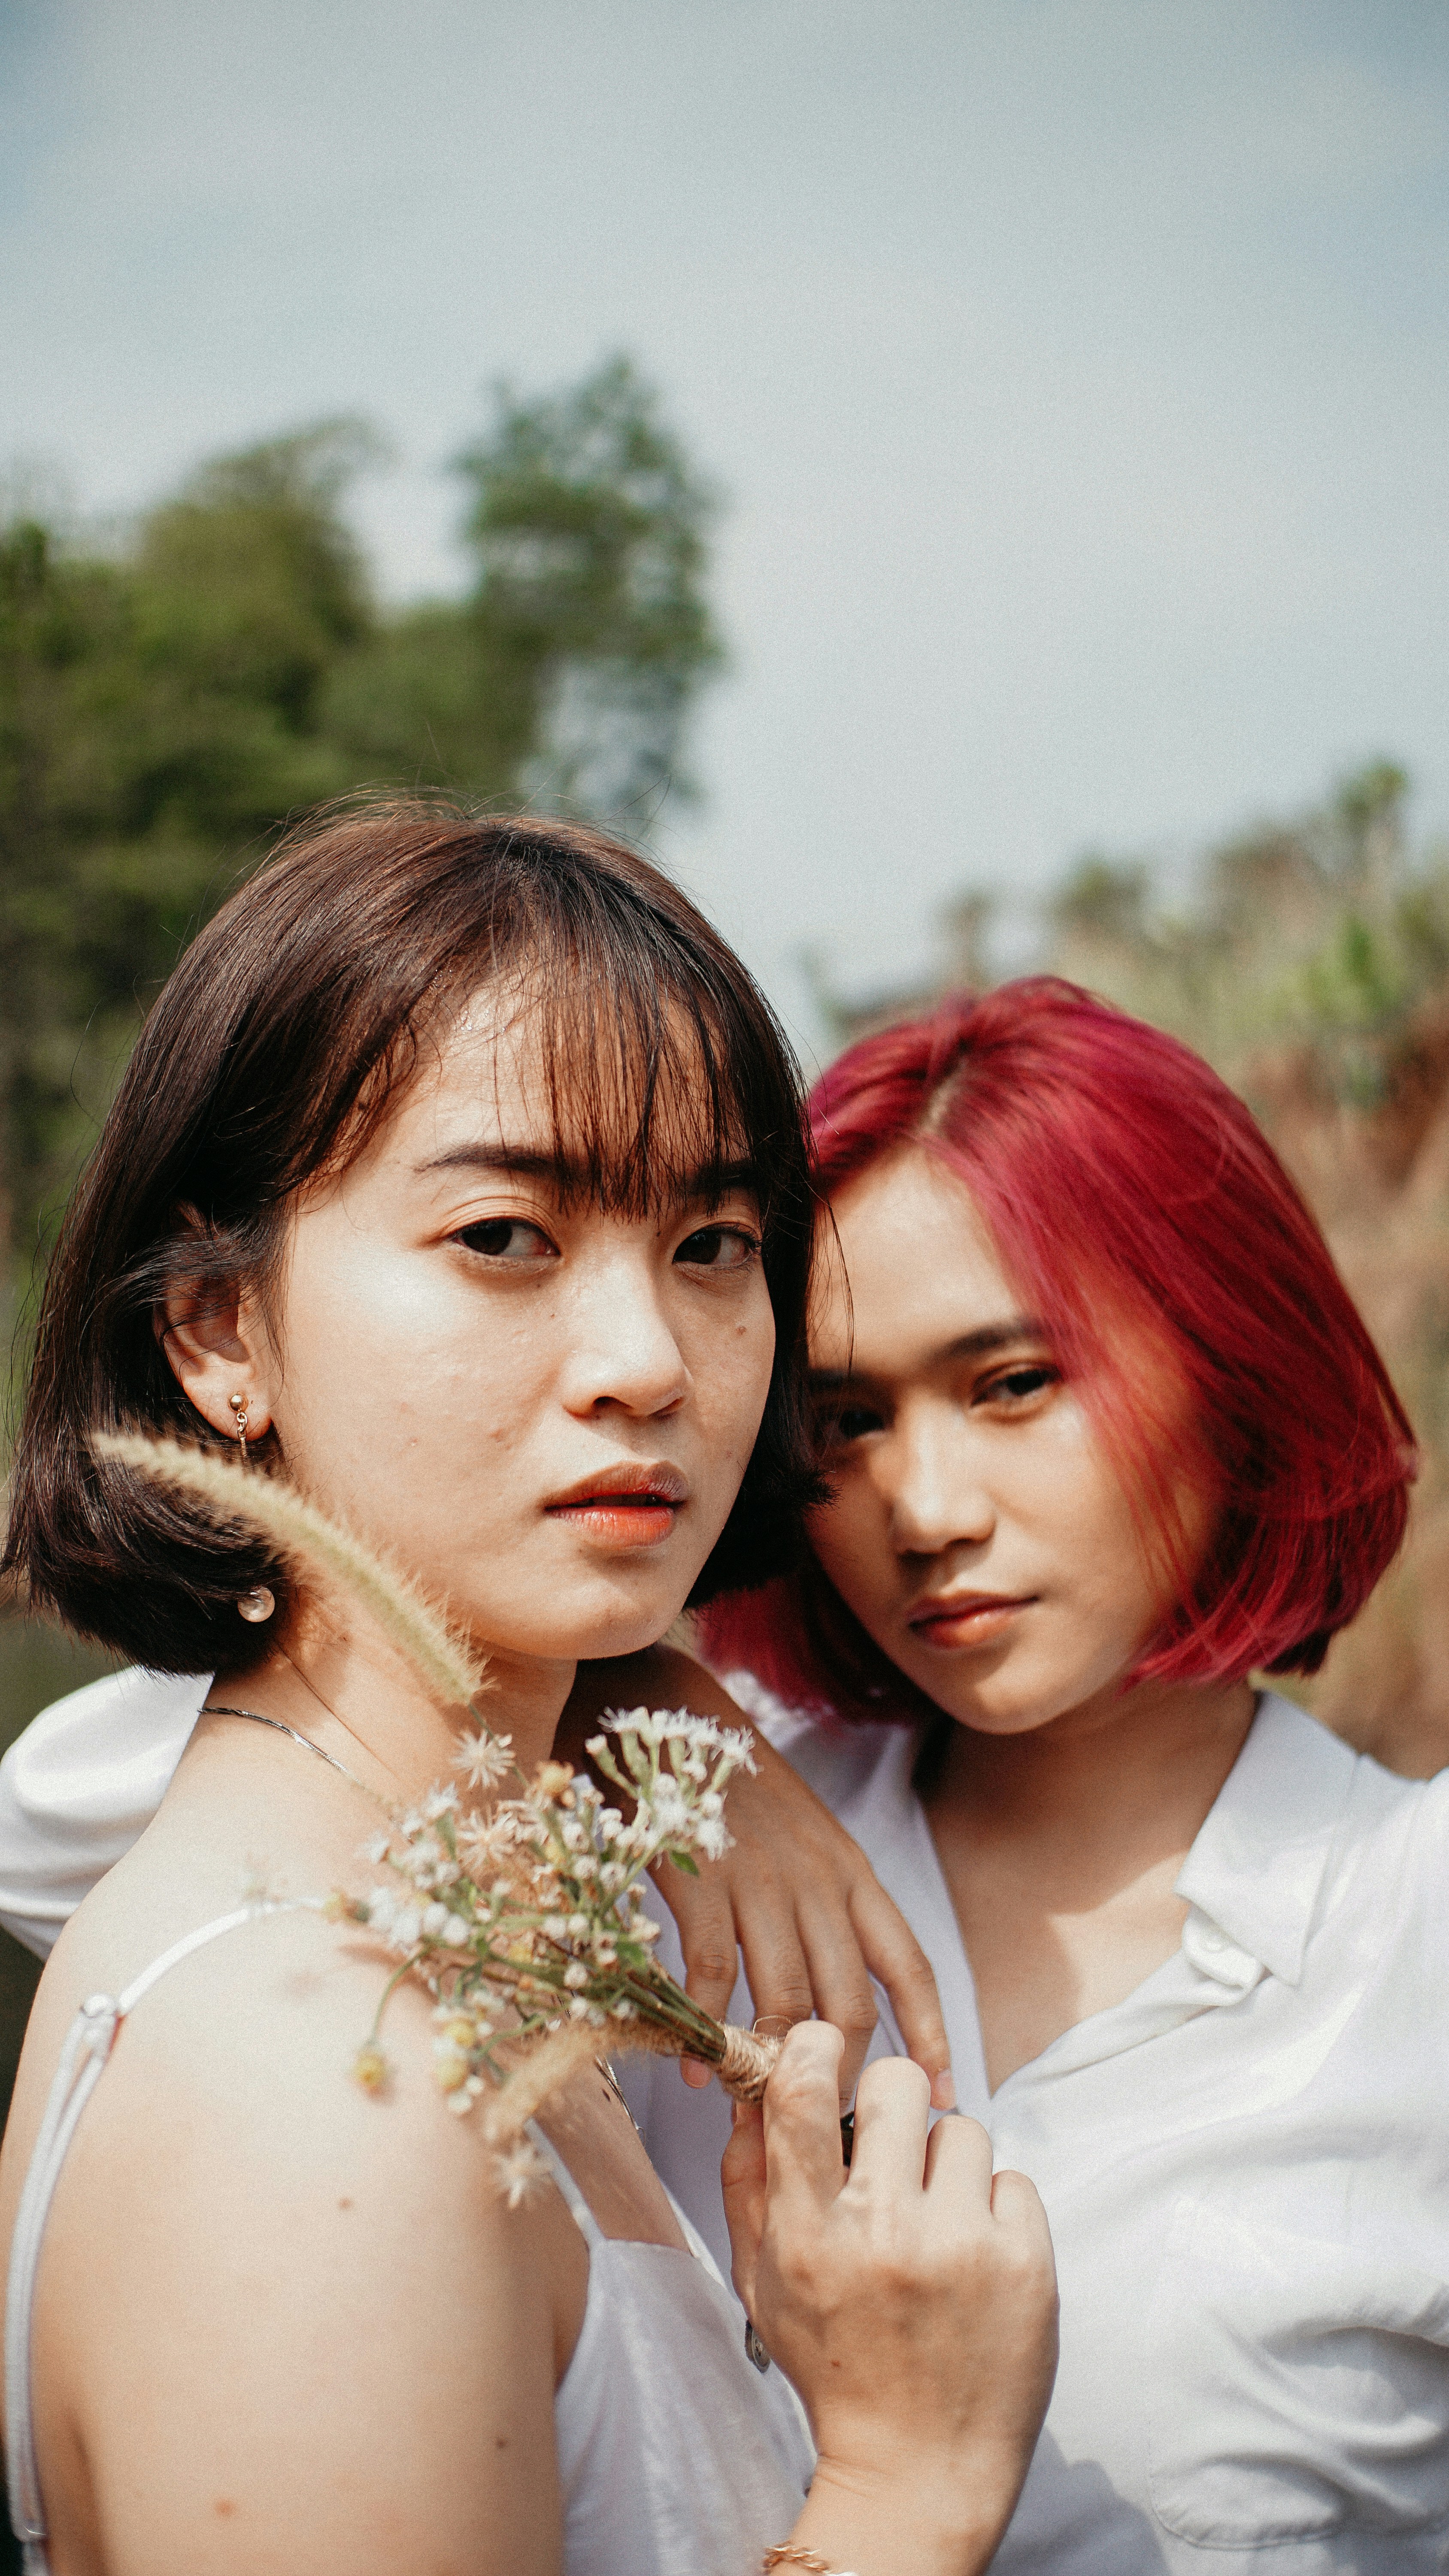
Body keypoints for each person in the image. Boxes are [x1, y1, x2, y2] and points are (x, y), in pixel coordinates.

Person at [0, 807, 1058, 2576]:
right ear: (216, 1335)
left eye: (715, 1242)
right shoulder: (316, 2094)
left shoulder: (435, 1936)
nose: (649, 1360)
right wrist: (901, 2489)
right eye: (503, 1234)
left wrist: (660, 1709)